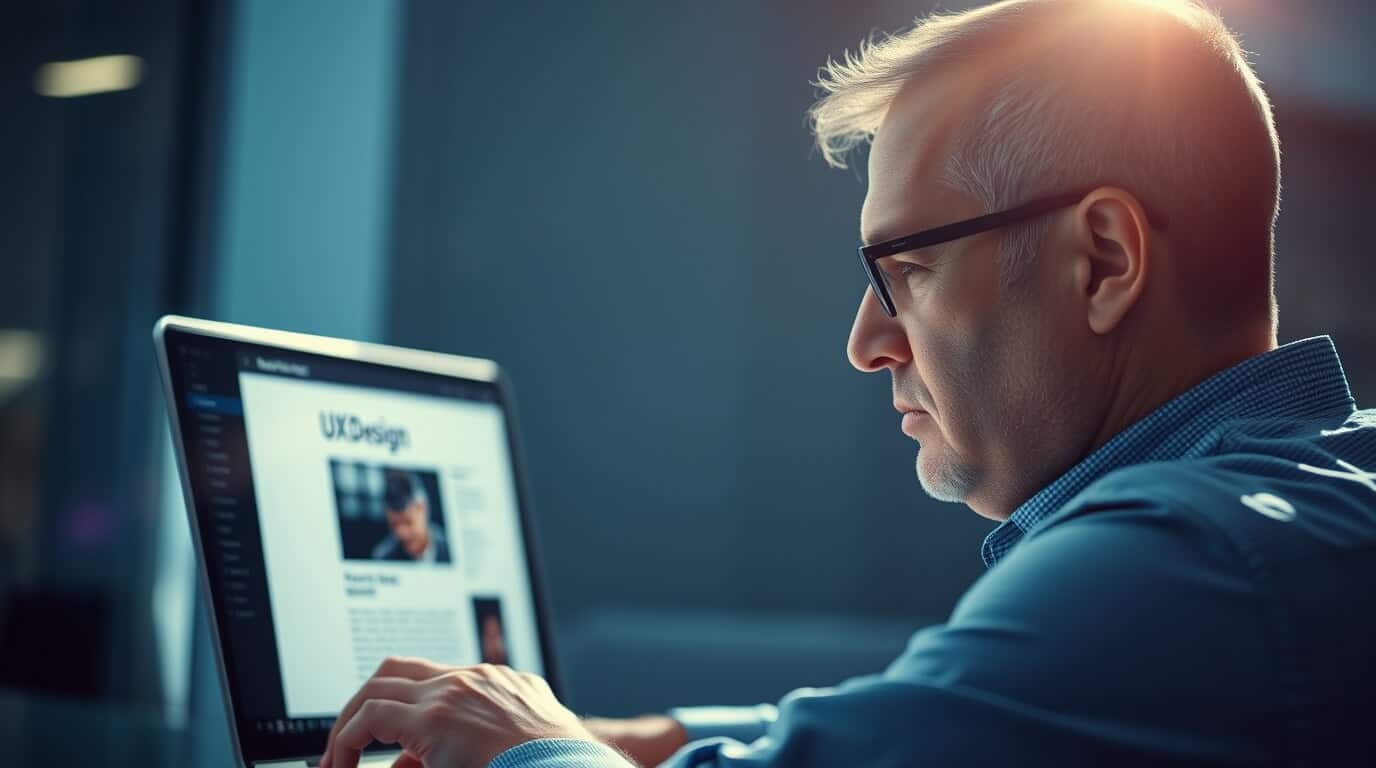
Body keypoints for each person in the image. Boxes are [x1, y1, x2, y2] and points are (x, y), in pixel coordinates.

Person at [320, 1, 1376, 766]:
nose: (865, 340)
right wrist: (658, 740)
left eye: (905, 268)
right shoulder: (1304, 505)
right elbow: (955, 720)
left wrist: (531, 751)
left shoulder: (1175, 567)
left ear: (1100, 260)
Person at [370, 471, 450, 564]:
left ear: (423, 509)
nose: (402, 533)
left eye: (408, 522)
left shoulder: (450, 547)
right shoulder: (384, 558)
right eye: (395, 525)